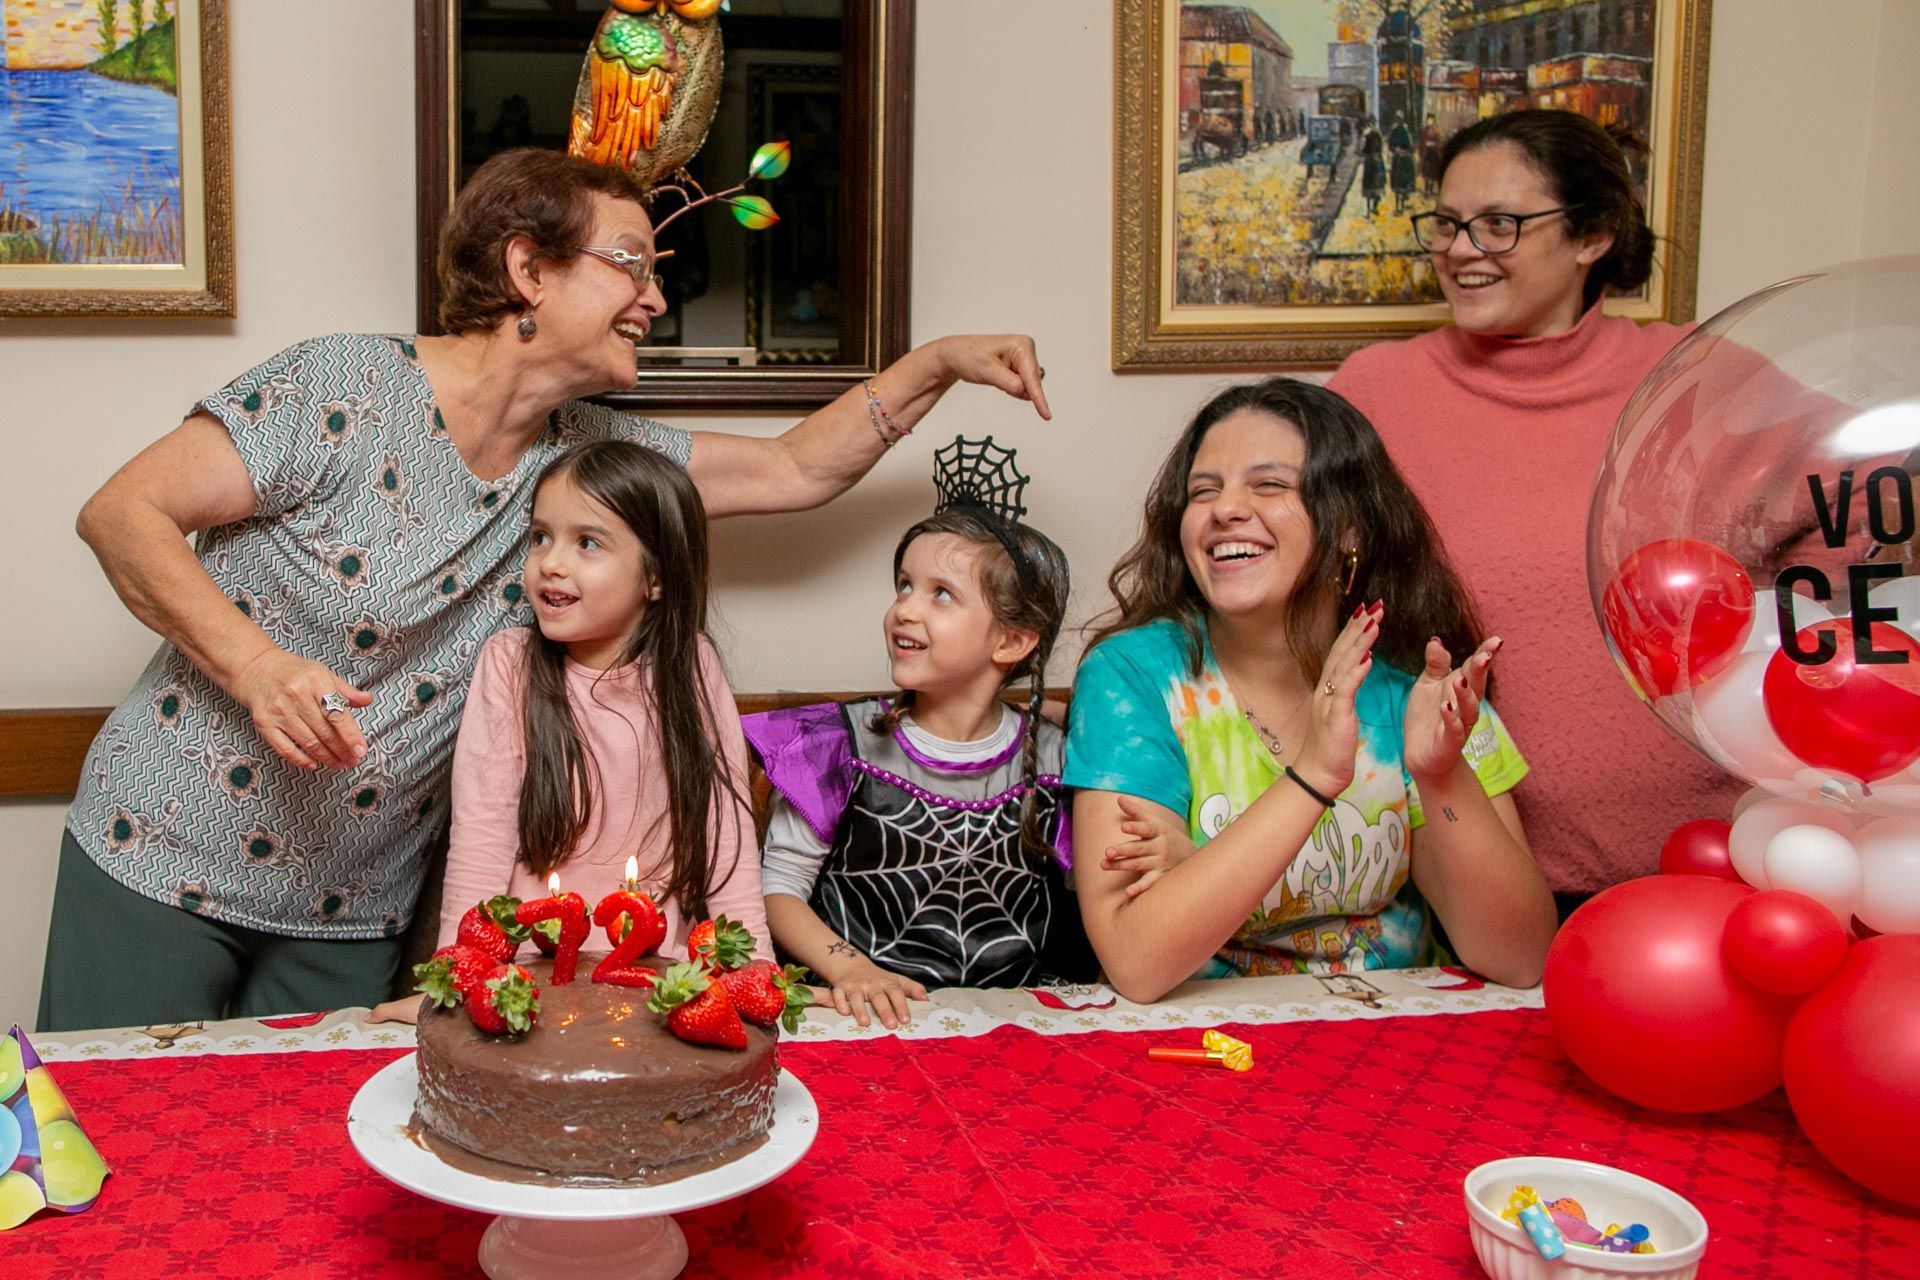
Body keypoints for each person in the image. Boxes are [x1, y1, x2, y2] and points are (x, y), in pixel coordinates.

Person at [39, 147, 1048, 1032]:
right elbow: (121, 513)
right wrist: (255, 665)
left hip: (354, 899)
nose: (654, 300)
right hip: (161, 853)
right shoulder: (340, 387)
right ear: (527, 268)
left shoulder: (592, 454)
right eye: (631, 267)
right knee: (126, 1148)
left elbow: (796, 469)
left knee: (305, 1191)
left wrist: (940, 361)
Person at [1328, 109, 1740, 903]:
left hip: (1721, 870)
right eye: (1447, 224)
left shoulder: (1698, 376)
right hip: (1484, 887)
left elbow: (1858, 514)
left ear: (1594, 236)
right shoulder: (1377, 392)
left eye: (1500, 225)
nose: (1459, 251)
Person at [1064, 378, 1556, 1005]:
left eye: (1268, 485)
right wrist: (1312, 778)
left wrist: (1439, 776)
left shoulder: (1418, 682)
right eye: (1202, 491)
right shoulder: (1132, 676)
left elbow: (1518, 958)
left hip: (1394, 1039)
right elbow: (1138, 958)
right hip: (1201, 1048)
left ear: (1349, 526)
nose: (1224, 510)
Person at [369, 441, 766, 1023]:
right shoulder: (509, 663)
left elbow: (726, 839)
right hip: (527, 984)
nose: (551, 562)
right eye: (540, 537)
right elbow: (480, 843)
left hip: (655, 984)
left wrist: (756, 979)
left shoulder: (692, 665)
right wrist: (456, 983)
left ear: (656, 578)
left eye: (587, 542)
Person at [744, 465, 1091, 1029]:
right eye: (904, 585)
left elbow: (1089, 898)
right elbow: (778, 890)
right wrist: (851, 969)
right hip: (862, 1012)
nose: (905, 607)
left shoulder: (1057, 760)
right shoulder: (838, 745)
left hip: (1017, 1021)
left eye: (941, 595)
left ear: (1011, 640)